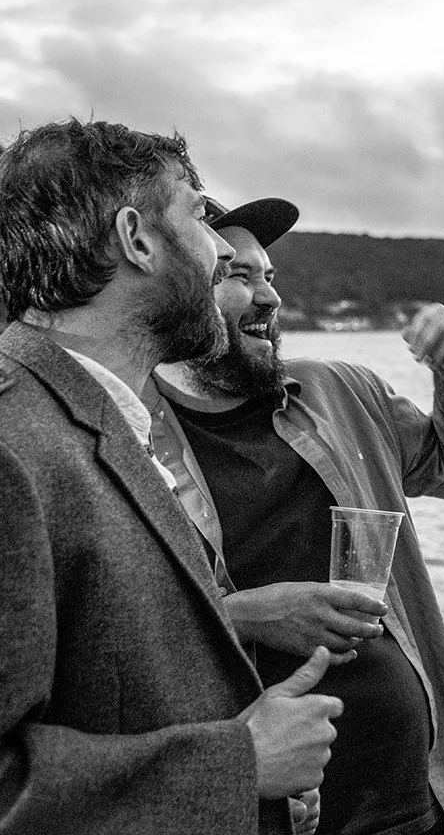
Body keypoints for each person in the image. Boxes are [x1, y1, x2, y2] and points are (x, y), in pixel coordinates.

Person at [0, 119, 343, 835]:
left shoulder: (101, 417)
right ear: (137, 238)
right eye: (199, 212)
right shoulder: (12, 445)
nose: (222, 251)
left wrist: (247, 798)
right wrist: (239, 762)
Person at [149, 196, 444, 835]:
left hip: (418, 784)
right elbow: (123, 631)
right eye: (237, 275)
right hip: (266, 800)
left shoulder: (340, 390)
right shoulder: (131, 438)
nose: (268, 297)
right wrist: (251, 612)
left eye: (270, 276)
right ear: (178, 292)